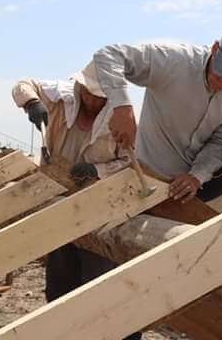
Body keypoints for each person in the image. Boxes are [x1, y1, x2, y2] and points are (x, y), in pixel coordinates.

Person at [12, 65, 142, 340]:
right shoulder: (62, 96)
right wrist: (32, 103)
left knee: (97, 284)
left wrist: (98, 170)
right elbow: (23, 84)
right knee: (60, 283)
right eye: (88, 94)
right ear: (80, 86)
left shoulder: (122, 118)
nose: (92, 101)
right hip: (59, 201)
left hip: (99, 209)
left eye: (99, 97)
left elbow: (130, 162)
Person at [92, 26, 222, 203]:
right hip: (151, 179)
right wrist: (121, 106)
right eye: (220, 75)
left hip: (197, 184)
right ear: (215, 48)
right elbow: (109, 55)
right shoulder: (174, 60)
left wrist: (196, 176)